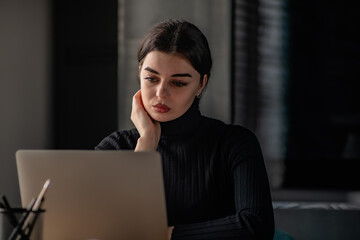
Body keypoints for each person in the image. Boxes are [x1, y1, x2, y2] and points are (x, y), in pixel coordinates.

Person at [96, 19, 274, 240]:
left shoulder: (235, 144)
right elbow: (103, 228)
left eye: (178, 83)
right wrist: (146, 146)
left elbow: (256, 226)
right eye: (151, 78)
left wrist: (167, 235)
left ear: (201, 84)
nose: (161, 93)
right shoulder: (115, 148)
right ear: (139, 72)